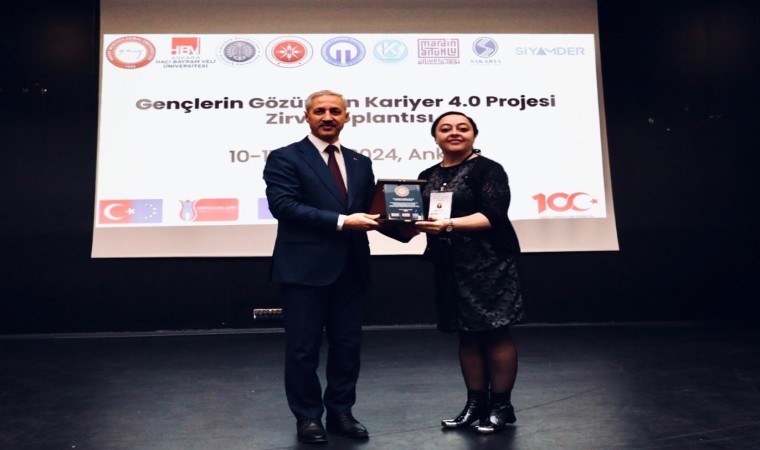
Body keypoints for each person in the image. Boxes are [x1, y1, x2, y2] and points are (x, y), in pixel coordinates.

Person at [263, 90, 380, 444]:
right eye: (319, 111)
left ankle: (341, 413)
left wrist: (405, 224)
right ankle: (308, 417)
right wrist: (343, 222)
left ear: (346, 116)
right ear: (307, 116)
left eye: (334, 111)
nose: (327, 117)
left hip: (351, 268)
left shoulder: (360, 162)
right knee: (303, 350)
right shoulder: (285, 157)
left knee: (347, 347)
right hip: (304, 269)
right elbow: (284, 206)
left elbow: (370, 211)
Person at [414, 111, 526, 434]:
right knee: (466, 333)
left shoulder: (488, 169)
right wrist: (396, 221)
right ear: (435, 137)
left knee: (495, 332)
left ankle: (501, 406)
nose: (454, 132)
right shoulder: (427, 174)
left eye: (462, 128)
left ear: (474, 135)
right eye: (445, 128)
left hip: (489, 263)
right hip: (449, 264)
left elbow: (493, 215)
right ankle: (475, 405)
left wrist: (448, 224)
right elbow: (417, 216)